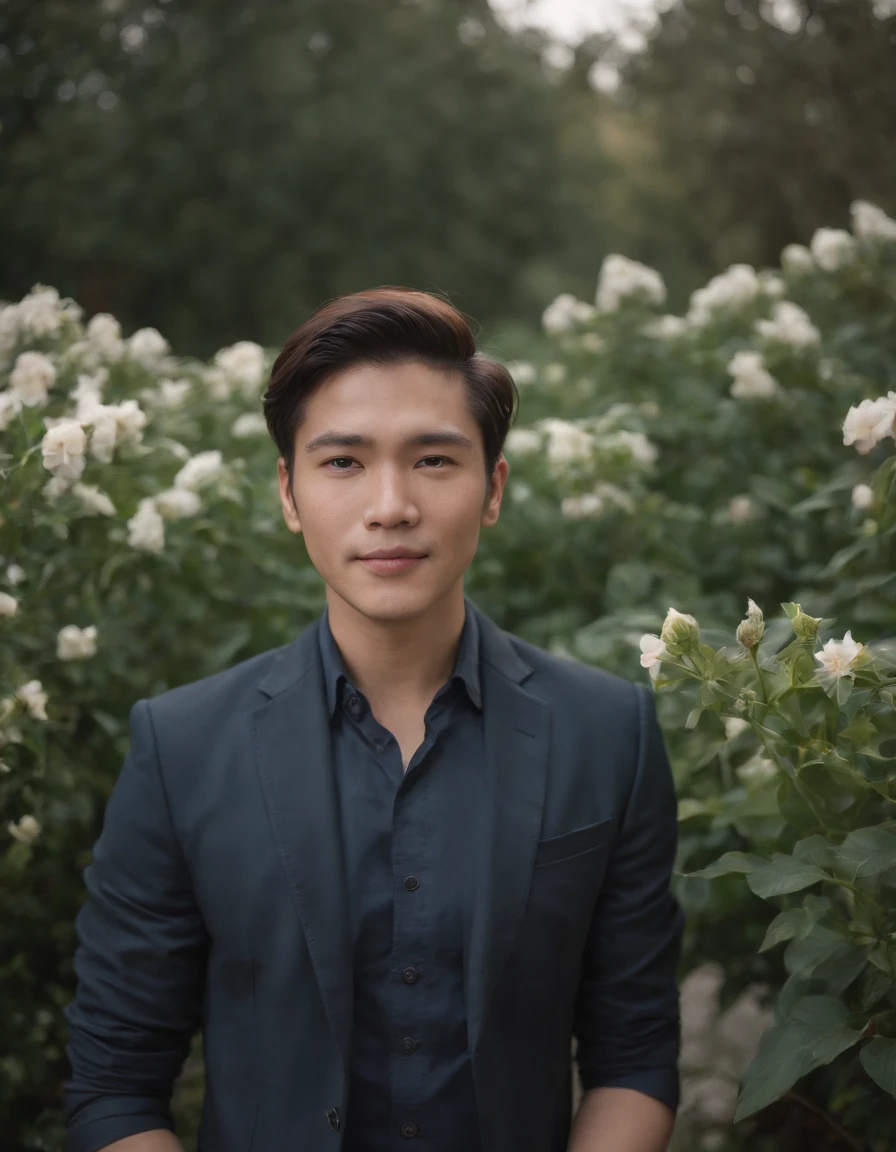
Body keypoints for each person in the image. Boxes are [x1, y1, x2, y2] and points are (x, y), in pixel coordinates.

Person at [63, 287, 684, 1152]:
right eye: (343, 463)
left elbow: (636, 1052)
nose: (390, 505)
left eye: (434, 460)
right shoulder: (183, 748)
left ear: (493, 487)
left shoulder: (607, 734)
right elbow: (114, 1084)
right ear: (288, 492)